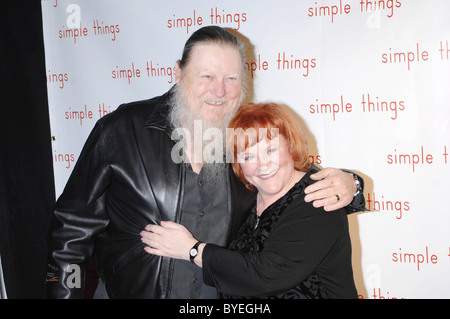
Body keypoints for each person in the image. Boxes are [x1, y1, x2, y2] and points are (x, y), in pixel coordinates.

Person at [46, 26, 365, 299]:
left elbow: (290, 180)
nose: (220, 90)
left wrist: (353, 185)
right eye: (207, 75)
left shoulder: (245, 137)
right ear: (178, 72)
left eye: (231, 78)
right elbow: (72, 229)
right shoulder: (121, 130)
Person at [141, 102, 358, 298]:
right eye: (248, 156)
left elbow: (266, 275)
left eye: (271, 150)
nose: (263, 164)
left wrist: (192, 250)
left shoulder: (319, 198)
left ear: (291, 147)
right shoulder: (249, 196)